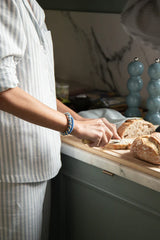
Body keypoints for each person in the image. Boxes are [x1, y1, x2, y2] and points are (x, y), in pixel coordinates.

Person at [0, 0, 120, 239]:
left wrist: (79, 120)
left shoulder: (33, 6)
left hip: (39, 161)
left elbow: (34, 87)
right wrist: (73, 126)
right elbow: (4, 90)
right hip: (14, 167)